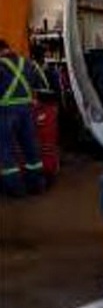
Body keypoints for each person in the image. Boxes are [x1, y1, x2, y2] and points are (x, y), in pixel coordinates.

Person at [0, 39, 50, 196]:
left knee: (6, 150)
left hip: (5, 111)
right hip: (27, 111)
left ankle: (15, 189)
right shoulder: (27, 63)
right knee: (30, 148)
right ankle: (36, 185)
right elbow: (43, 85)